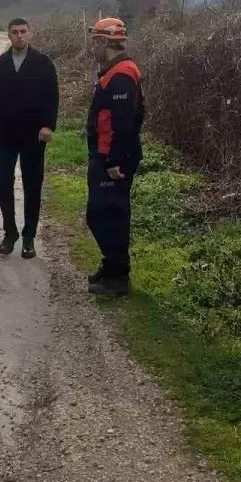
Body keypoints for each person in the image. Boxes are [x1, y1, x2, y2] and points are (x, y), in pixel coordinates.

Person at [0, 17, 58, 258]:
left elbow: (51, 97)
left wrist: (48, 125)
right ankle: (10, 232)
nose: (19, 36)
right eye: (14, 32)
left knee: (32, 185)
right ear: (8, 35)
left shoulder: (43, 63)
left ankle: (28, 236)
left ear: (29, 33)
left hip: (33, 135)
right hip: (4, 135)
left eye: (23, 31)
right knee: (3, 182)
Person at [84, 17, 143, 296]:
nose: (92, 47)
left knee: (106, 215)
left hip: (113, 160)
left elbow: (125, 123)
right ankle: (111, 266)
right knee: (103, 214)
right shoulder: (114, 71)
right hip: (105, 156)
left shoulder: (121, 75)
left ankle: (119, 276)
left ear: (105, 42)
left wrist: (115, 161)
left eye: (95, 41)